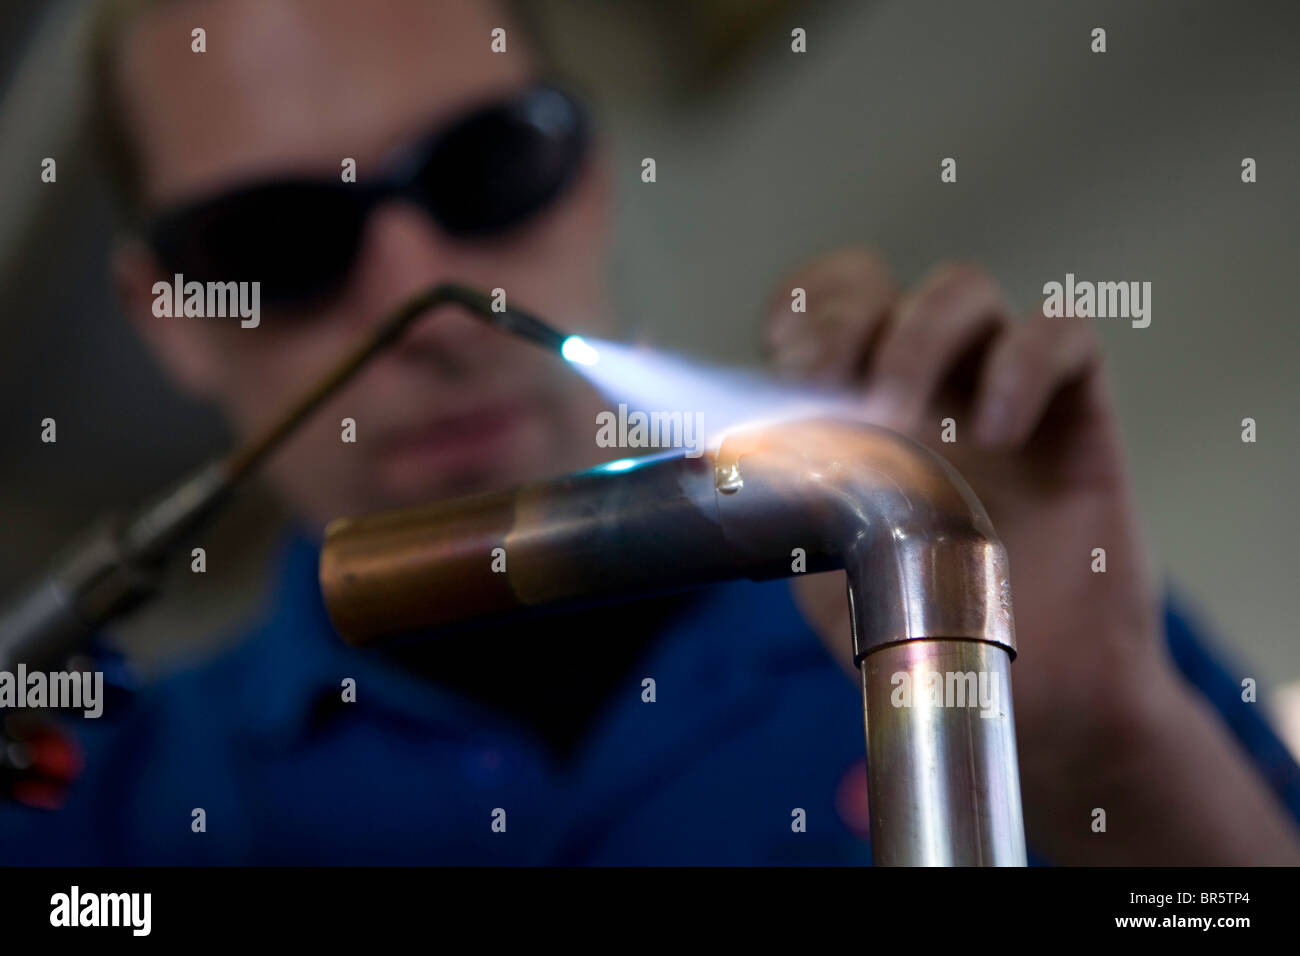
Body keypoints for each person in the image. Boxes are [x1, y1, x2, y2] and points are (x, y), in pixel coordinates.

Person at [2, 0, 1297, 864]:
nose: (422, 307)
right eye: (277, 240)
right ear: (168, 314)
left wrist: (1091, 732)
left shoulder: (961, 585)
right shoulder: (88, 805)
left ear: (592, 173)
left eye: (488, 167)